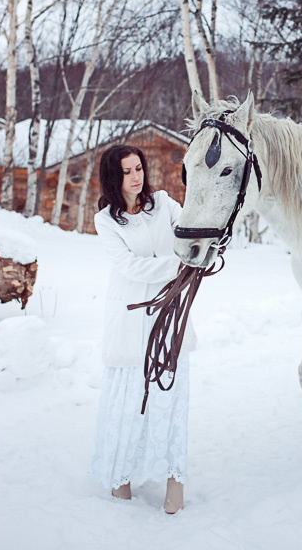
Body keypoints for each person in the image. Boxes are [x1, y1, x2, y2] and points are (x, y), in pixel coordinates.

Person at [89, 144, 195, 514]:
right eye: (127, 171)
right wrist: (177, 265)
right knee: (130, 399)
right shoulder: (106, 221)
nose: (136, 177)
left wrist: (196, 252)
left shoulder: (164, 204)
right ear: (112, 178)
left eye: (138, 168)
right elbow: (129, 266)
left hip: (169, 313)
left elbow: (190, 232)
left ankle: (174, 480)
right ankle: (121, 476)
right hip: (131, 318)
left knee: (171, 394)